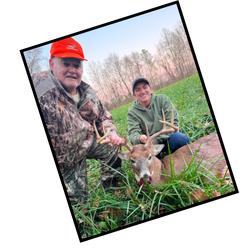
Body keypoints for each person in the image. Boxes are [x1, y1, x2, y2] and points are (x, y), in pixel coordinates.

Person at [32, 37, 123, 203]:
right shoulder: (38, 86)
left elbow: (104, 118)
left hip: (86, 144)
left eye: (77, 65)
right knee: (80, 209)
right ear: (52, 64)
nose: (72, 70)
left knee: (114, 150)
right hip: (64, 161)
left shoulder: (88, 95)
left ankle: (111, 194)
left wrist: (111, 133)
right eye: (66, 64)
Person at [127, 77, 190, 156]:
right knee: (142, 159)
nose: (142, 92)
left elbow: (173, 123)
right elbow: (133, 134)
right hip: (149, 146)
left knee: (181, 140)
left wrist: (156, 140)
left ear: (150, 88)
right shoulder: (132, 113)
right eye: (138, 90)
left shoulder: (163, 100)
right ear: (134, 94)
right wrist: (139, 138)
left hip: (168, 138)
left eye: (145, 87)